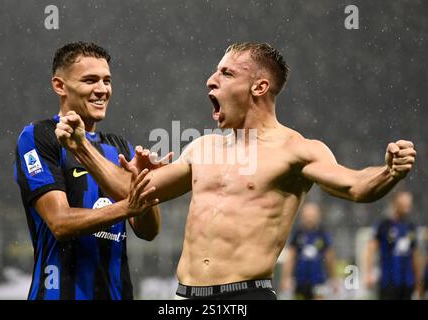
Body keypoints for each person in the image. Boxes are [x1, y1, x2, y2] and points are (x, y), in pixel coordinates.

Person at [55, 42, 416, 300]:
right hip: (183, 299)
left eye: (226, 73)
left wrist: (389, 171)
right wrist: (83, 148)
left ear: (259, 86)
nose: (211, 80)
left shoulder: (297, 150)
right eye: (215, 71)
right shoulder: (202, 147)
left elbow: (355, 186)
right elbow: (135, 194)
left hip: (246, 297)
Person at [14, 42, 162, 300]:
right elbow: (59, 222)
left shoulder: (119, 147)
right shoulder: (39, 136)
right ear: (60, 86)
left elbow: (148, 231)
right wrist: (129, 206)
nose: (102, 90)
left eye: (107, 80)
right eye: (90, 80)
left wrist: (147, 188)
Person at [364, 191, 423, 299]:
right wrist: (369, 273)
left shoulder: (411, 227)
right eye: (404, 204)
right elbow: (371, 249)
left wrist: (418, 282)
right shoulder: (384, 224)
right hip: (388, 282)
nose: (408, 207)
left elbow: (415, 255)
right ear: (396, 204)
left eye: (409, 204)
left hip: (407, 282)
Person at [280, 202, 338, 300]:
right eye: (307, 216)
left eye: (312, 216)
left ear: (318, 216)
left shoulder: (323, 234)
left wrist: (334, 278)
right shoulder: (298, 234)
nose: (309, 219)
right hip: (300, 280)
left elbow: (330, 258)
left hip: (318, 280)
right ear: (302, 217)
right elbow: (291, 257)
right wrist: (286, 278)